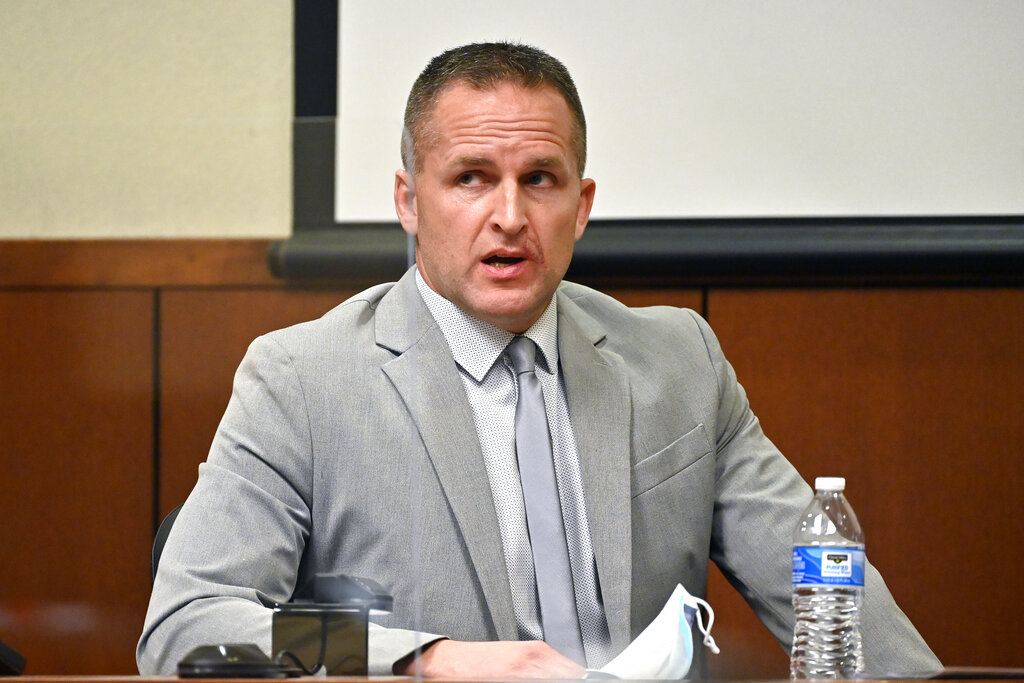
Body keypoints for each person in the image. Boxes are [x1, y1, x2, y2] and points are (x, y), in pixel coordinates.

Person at [137, 42, 941, 678]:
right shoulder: (302, 379)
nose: (510, 216)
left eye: (540, 179)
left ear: (581, 206)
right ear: (409, 202)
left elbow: (823, 592)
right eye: (472, 179)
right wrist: (426, 657)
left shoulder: (679, 360)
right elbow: (191, 625)